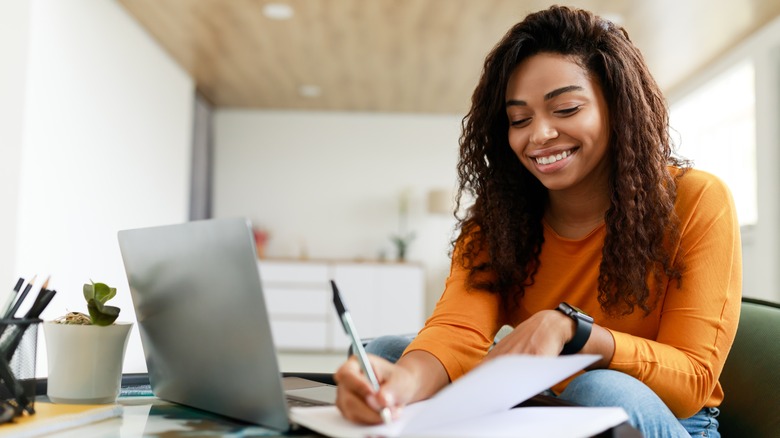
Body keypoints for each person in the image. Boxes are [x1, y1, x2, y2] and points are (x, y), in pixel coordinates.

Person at [334, 6, 741, 437]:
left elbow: (693, 381)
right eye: (520, 119)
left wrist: (573, 331)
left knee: (599, 389)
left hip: (669, 419)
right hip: (547, 405)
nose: (539, 135)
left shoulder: (697, 199)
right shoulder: (500, 219)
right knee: (389, 353)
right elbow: (457, 329)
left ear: (617, 108)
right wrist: (400, 385)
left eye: (565, 108)